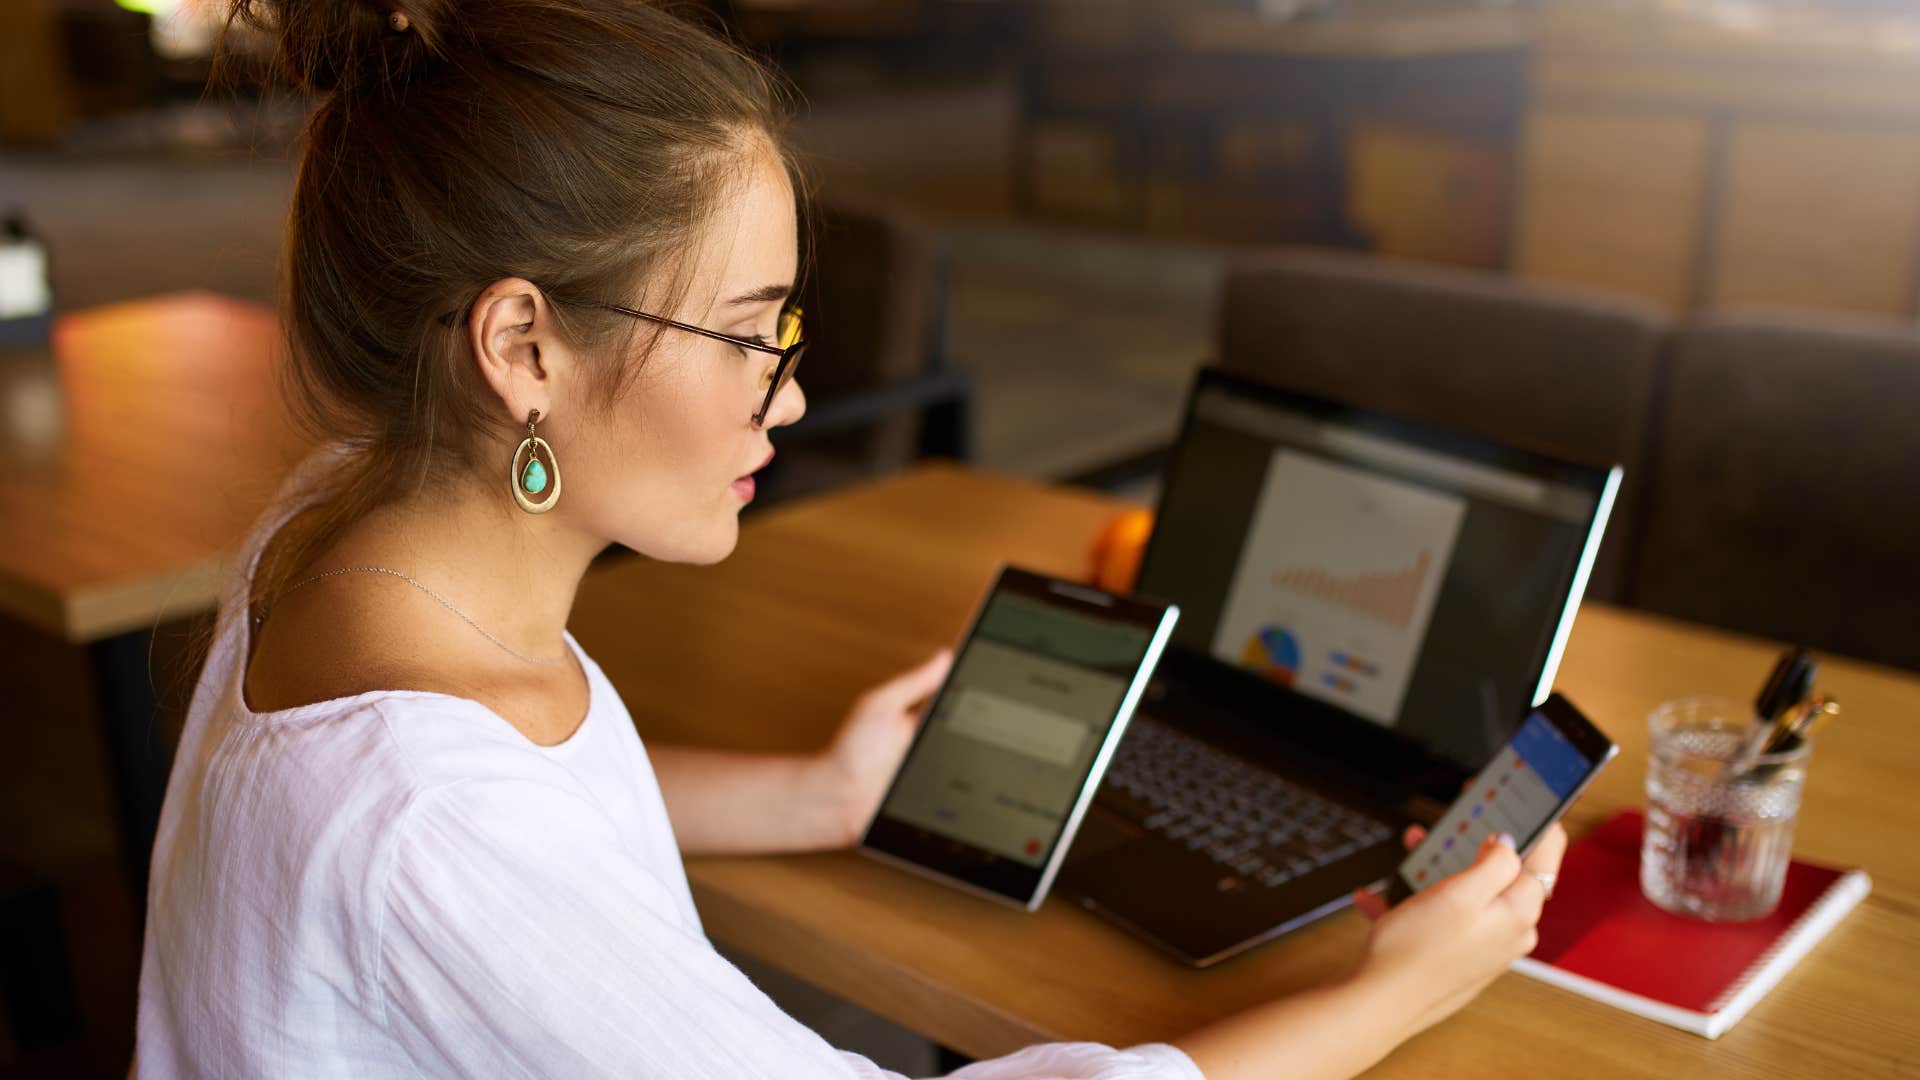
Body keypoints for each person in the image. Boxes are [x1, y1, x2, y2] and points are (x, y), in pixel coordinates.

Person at [135, 1, 1568, 1076]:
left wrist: (814, 795)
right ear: (523, 345)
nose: (794, 392)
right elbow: (460, 835)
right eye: (750, 335)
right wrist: (1400, 990)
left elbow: (526, 802)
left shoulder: (342, 521)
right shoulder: (427, 826)